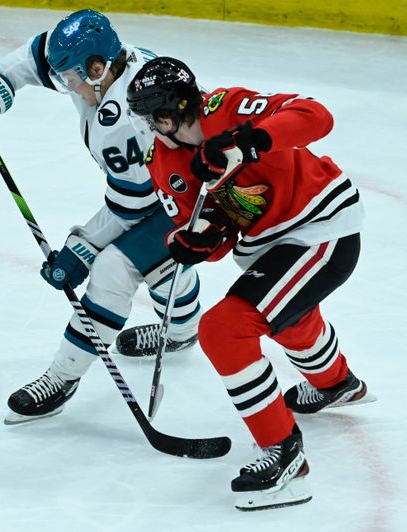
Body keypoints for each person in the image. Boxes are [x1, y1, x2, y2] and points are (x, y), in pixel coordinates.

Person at [126, 57, 375, 511]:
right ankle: (336, 384)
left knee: (225, 329)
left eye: (152, 114)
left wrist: (251, 140)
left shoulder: (230, 108)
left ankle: (285, 454)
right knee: (288, 320)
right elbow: (212, 236)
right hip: (268, 247)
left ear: (167, 112)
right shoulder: (164, 163)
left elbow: (316, 115)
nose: (151, 125)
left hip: (321, 225)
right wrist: (193, 242)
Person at [0, 11, 202, 424]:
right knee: (160, 265)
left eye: (71, 78)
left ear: (97, 69)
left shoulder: (130, 121)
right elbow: (38, 56)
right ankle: (182, 330)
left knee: (113, 271)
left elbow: (133, 208)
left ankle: (61, 378)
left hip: (197, 198)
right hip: (174, 183)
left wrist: (82, 248)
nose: (64, 84)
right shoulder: (102, 67)